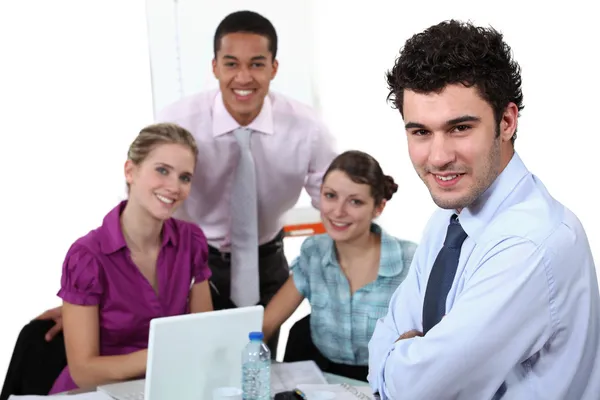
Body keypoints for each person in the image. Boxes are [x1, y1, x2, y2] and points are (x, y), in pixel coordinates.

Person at [35, 10, 336, 356]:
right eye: (231, 63)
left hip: (266, 261)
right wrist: (87, 307)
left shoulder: (307, 129)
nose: (243, 77)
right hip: (188, 263)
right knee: (195, 364)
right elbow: (138, 203)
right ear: (214, 67)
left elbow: (337, 207)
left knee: (256, 367)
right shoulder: (179, 120)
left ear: (274, 68)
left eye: (256, 64)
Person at [367, 20, 600, 399]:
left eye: (459, 128)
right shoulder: (447, 220)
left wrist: (405, 360)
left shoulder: (532, 242)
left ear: (506, 122)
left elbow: (419, 389)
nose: (439, 158)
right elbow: (382, 343)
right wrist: (403, 357)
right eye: (421, 132)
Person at [47, 123, 213, 394]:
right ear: (130, 171)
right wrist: (161, 356)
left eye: (185, 177)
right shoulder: (87, 257)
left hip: (167, 388)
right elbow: (84, 372)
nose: (174, 187)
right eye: (162, 170)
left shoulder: (191, 241)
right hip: (97, 393)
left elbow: (205, 333)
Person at [262, 150, 417, 381]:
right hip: (322, 381)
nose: (338, 211)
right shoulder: (314, 252)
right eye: (330, 196)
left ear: (378, 208)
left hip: (386, 383)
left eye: (355, 201)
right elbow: (265, 325)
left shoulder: (410, 261)